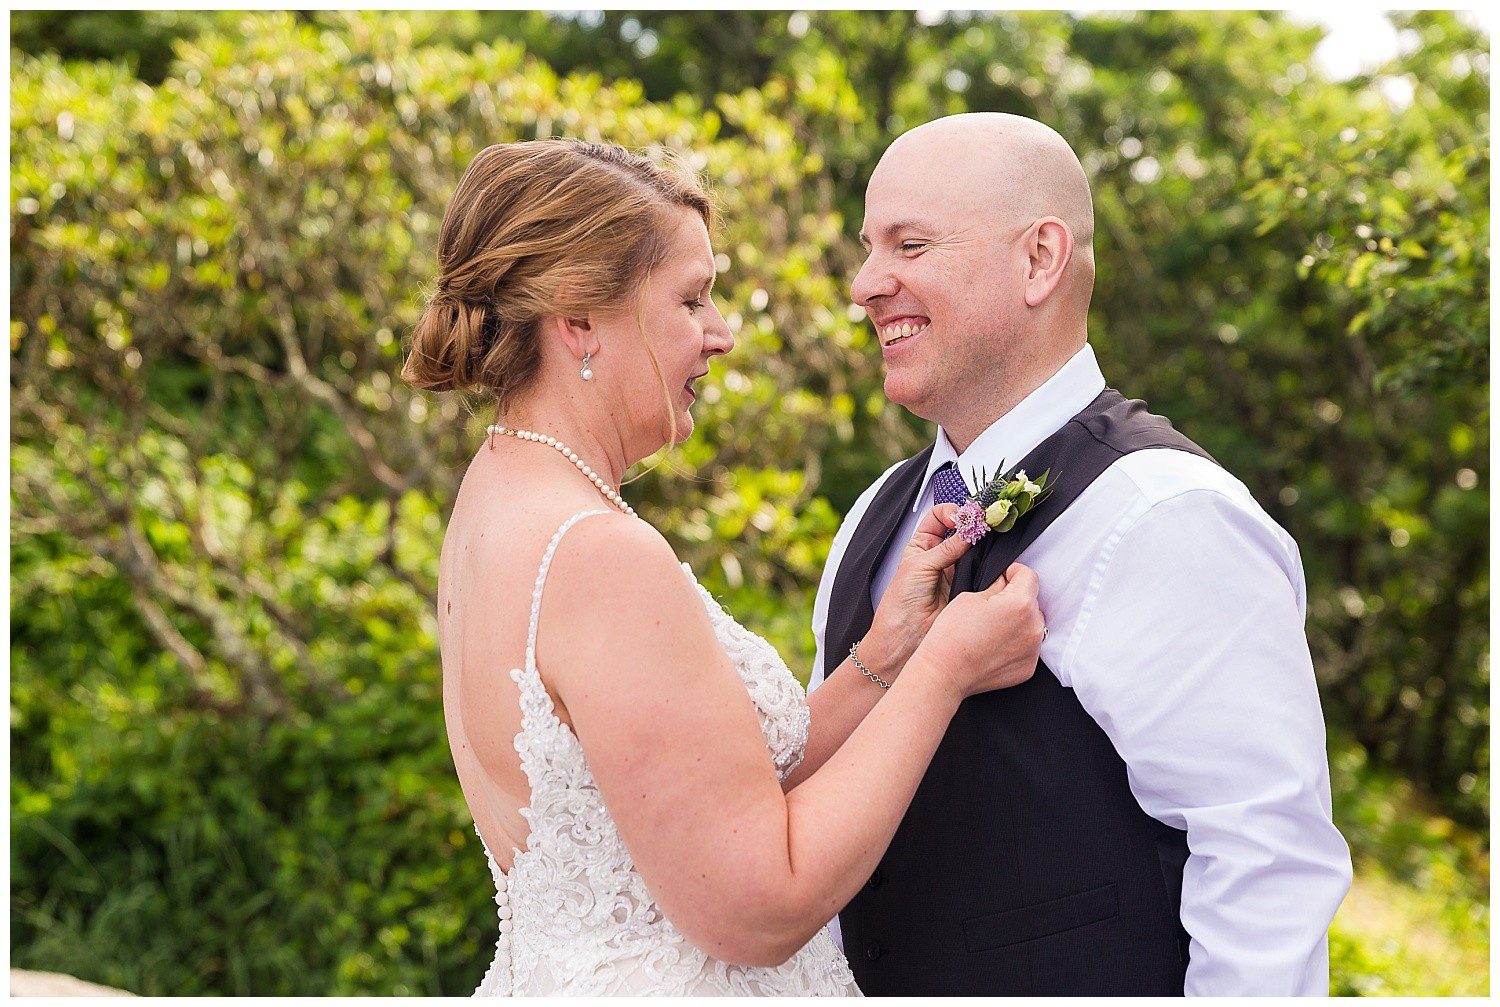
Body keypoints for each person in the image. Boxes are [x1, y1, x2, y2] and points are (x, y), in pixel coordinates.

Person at [402, 138, 1044, 995]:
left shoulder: (497, 498)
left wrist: (888, 654)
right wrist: (948, 669)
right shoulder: (597, 553)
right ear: (579, 320)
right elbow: (755, 909)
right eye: (693, 299)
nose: (722, 335)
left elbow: (704, 793)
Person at [808, 112, 1354, 995]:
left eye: (908, 245)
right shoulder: (875, 516)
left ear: (1039, 259)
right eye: (870, 248)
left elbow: (1266, 869)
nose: (867, 284)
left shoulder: (1169, 516)